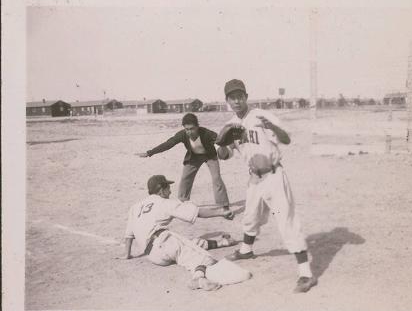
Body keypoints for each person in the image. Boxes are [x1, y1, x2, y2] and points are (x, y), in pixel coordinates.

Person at [216, 79, 317, 293]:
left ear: (246, 96)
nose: (237, 100)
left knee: (287, 221)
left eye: (240, 96)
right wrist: (221, 144)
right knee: (250, 216)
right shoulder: (231, 124)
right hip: (254, 178)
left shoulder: (261, 116)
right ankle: (246, 250)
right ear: (227, 100)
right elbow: (224, 155)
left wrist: (271, 127)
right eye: (232, 97)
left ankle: (306, 274)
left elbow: (286, 139)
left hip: (273, 175)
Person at [117, 175, 252, 291]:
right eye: (168, 188)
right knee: (205, 258)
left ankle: (223, 242)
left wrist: (127, 254)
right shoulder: (164, 203)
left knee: (189, 244)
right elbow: (196, 212)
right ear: (161, 190)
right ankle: (198, 279)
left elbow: (129, 236)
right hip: (164, 243)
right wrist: (221, 212)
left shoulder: (135, 207)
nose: (170, 191)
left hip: (153, 256)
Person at [137, 113, 233, 218]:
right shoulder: (182, 135)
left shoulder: (206, 133)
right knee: (185, 179)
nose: (189, 132)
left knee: (216, 178)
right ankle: (182, 203)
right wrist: (149, 152)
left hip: (210, 156)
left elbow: (221, 140)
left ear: (197, 126)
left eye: (192, 129)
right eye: (187, 129)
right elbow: (168, 144)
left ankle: (224, 206)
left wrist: (228, 141)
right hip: (194, 157)